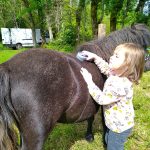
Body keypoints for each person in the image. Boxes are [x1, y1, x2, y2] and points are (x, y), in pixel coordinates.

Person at [80, 43, 145, 150]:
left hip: (119, 127)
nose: (111, 57)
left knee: (114, 147)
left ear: (127, 65)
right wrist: (95, 57)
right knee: (107, 139)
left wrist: (89, 81)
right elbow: (106, 69)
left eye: (117, 56)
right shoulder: (118, 73)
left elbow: (102, 99)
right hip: (113, 123)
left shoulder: (120, 85)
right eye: (114, 54)